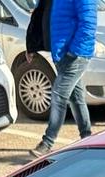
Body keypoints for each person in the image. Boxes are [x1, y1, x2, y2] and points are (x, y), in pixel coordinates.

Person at [30, 0, 98, 157]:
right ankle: (87, 137)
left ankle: (47, 142)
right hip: (62, 54)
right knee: (76, 98)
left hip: (75, 56)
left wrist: (74, 52)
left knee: (58, 95)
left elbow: (88, 24)